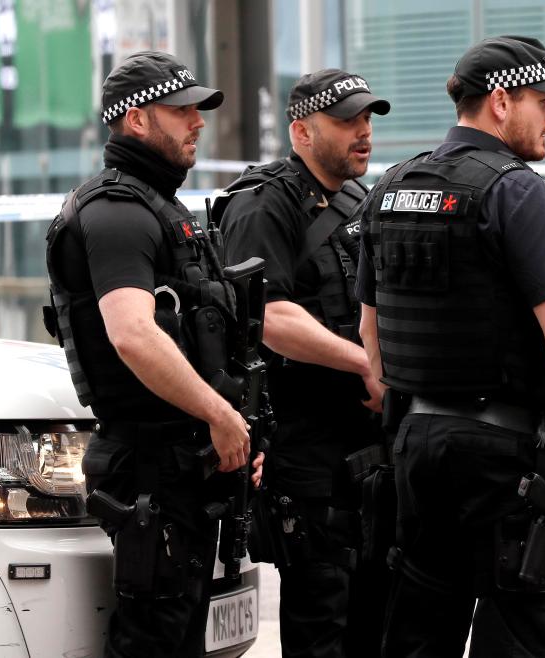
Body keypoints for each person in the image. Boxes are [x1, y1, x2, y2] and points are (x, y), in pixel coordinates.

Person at [355, 35, 545, 658]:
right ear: (501, 103)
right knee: (514, 631)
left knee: (420, 630)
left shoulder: (391, 186)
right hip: (506, 455)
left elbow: (370, 338)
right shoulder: (514, 189)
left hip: (416, 447)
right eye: (544, 100)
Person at [44, 51, 263, 657]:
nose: (198, 122)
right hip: (149, 467)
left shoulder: (160, 208)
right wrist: (222, 417)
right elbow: (133, 335)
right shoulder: (115, 212)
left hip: (186, 463)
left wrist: (238, 436)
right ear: (137, 120)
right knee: (155, 642)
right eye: (183, 109)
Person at [217, 69, 391, 658]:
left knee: (376, 623)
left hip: (367, 451)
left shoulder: (357, 198)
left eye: (368, 119)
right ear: (301, 132)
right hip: (307, 453)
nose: (363, 132)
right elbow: (269, 316)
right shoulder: (263, 204)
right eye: (346, 121)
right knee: (323, 626)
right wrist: (366, 364)